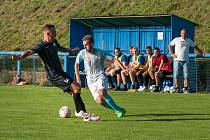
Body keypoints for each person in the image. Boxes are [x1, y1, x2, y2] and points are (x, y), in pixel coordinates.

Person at [11, 24, 99, 121]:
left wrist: (71, 50)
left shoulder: (53, 42)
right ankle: (80, 112)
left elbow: (59, 47)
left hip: (61, 73)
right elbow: (30, 51)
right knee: (76, 87)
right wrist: (20, 57)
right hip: (54, 75)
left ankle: (84, 114)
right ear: (48, 34)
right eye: (54, 33)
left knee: (75, 92)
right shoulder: (41, 45)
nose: (56, 35)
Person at [75, 35, 126, 118]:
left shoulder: (100, 52)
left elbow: (114, 59)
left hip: (100, 76)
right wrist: (78, 78)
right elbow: (76, 64)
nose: (84, 46)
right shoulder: (82, 53)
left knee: (102, 92)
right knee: (100, 101)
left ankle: (118, 110)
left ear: (92, 43)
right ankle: (118, 109)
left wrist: (123, 68)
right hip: (90, 81)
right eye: (83, 44)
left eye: (86, 44)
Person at [168, 28, 203, 93]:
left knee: (186, 75)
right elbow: (170, 45)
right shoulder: (176, 39)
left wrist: (200, 52)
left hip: (185, 60)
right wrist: (172, 53)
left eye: (184, 33)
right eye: (182, 33)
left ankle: (186, 88)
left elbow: (194, 46)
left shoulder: (189, 40)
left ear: (186, 34)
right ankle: (177, 88)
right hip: (177, 60)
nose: (183, 34)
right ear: (180, 33)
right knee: (176, 75)